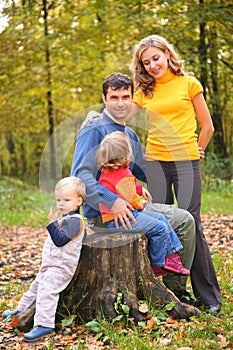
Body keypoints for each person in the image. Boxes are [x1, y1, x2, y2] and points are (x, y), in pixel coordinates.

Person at [71, 72, 196, 303]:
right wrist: (113, 200)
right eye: (114, 97)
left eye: (125, 97)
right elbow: (80, 176)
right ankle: (173, 293)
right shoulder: (94, 129)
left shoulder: (129, 134)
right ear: (104, 98)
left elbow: (143, 170)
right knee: (183, 221)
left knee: (184, 220)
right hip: (103, 214)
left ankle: (173, 290)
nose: (120, 103)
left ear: (132, 99)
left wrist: (182, 159)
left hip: (131, 206)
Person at [129, 34, 221, 313]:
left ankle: (209, 297)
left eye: (156, 58)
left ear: (167, 54)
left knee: (192, 222)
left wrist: (199, 149)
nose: (152, 65)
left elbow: (207, 126)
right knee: (161, 225)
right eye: (146, 63)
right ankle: (170, 292)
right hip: (155, 163)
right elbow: (123, 117)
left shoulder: (189, 83)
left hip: (186, 163)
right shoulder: (144, 92)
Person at [3, 176, 86, 342]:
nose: (61, 203)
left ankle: (44, 324)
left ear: (79, 201)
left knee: (47, 291)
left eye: (66, 200)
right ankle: (20, 310)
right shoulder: (66, 220)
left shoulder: (75, 222)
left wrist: (52, 224)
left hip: (61, 268)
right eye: (58, 200)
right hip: (50, 265)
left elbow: (60, 240)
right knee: (35, 287)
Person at [96, 130, 190, 276]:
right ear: (125, 156)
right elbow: (132, 198)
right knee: (159, 227)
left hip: (119, 218)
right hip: (121, 221)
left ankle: (171, 256)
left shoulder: (109, 172)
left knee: (161, 218)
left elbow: (118, 187)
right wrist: (142, 204)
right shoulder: (123, 175)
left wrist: (140, 189)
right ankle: (158, 263)